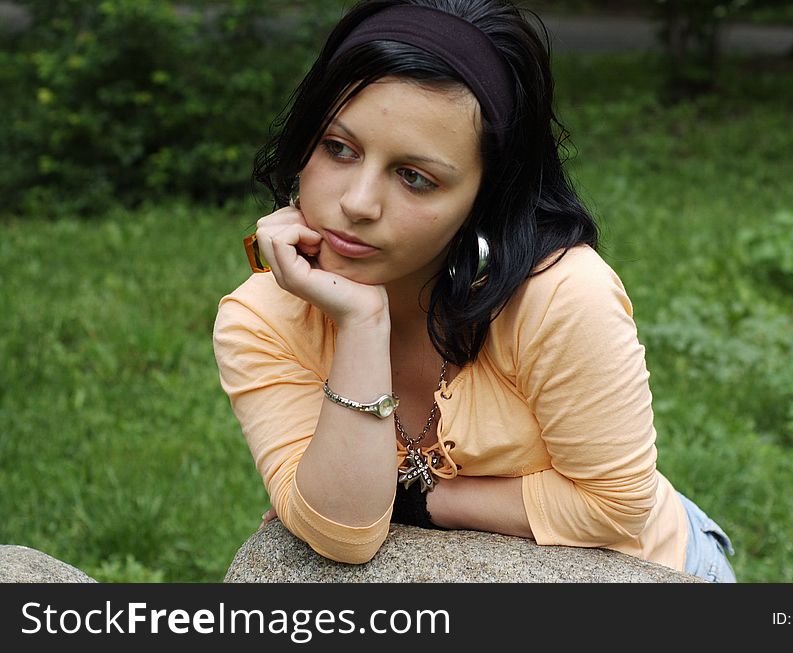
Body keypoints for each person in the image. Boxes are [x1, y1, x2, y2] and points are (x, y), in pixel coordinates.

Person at [212, 0, 736, 582]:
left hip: (650, 572)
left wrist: (410, 501)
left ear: (484, 198)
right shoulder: (262, 318)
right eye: (339, 148)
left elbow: (613, 507)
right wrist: (361, 323)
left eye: (416, 177)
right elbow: (341, 530)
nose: (357, 203)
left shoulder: (561, 294)